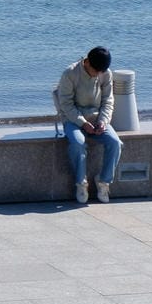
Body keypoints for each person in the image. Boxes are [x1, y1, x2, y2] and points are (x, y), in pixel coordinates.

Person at [54, 46, 122, 203]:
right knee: (78, 143)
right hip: (73, 119)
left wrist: (103, 122)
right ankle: (81, 183)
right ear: (88, 63)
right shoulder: (70, 73)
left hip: (97, 118)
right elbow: (66, 104)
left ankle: (104, 181)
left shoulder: (105, 73)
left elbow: (108, 101)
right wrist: (82, 123)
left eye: (101, 72)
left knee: (115, 143)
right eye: (96, 71)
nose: (99, 75)